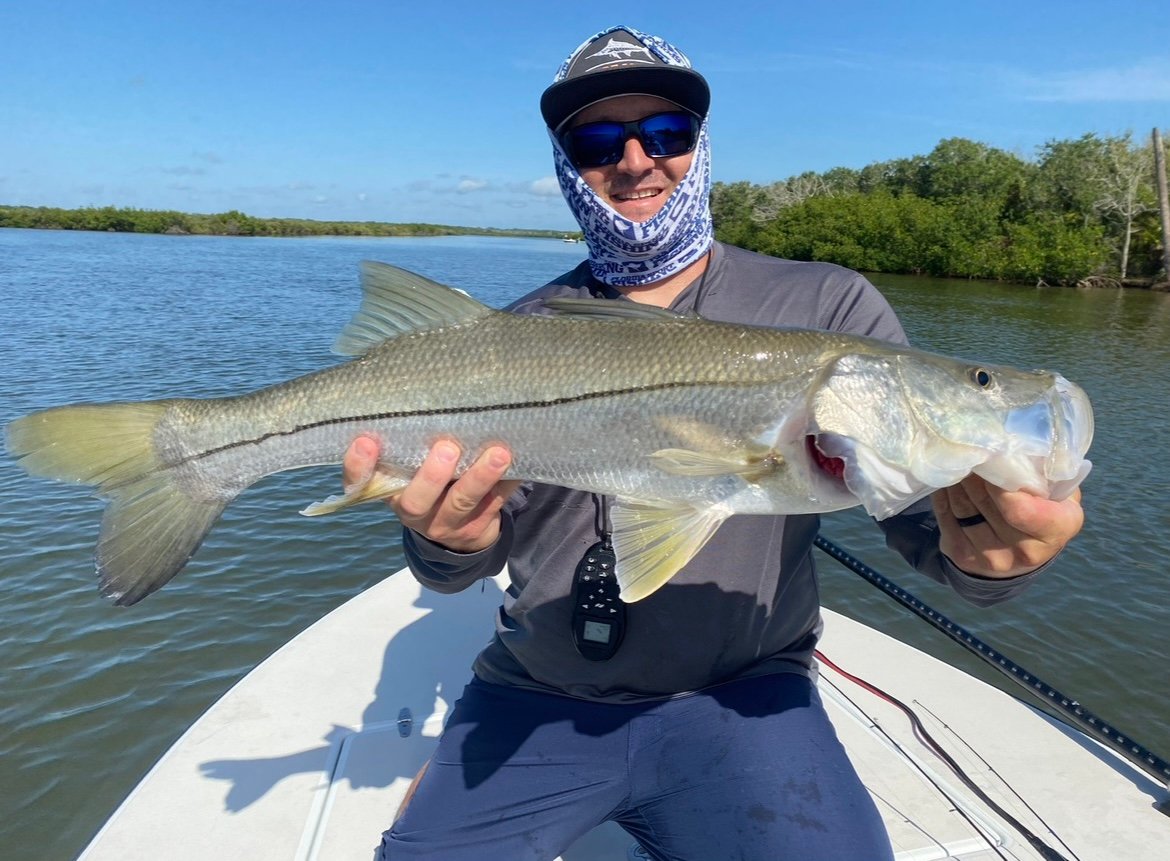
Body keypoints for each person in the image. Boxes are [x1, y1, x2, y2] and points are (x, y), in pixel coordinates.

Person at [344, 25, 1085, 861]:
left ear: (699, 146)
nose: (634, 161)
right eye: (596, 140)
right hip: (538, 692)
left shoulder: (831, 309)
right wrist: (445, 543)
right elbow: (454, 565)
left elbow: (928, 529)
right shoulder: (508, 336)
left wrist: (997, 559)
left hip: (747, 698)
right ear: (565, 163)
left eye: (666, 133)